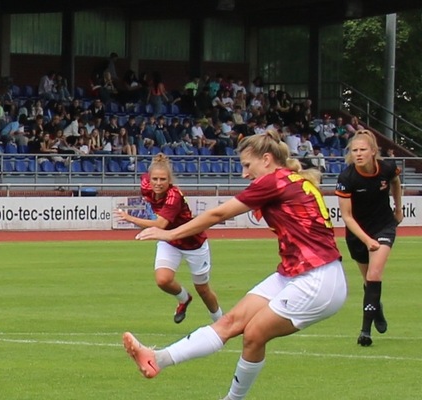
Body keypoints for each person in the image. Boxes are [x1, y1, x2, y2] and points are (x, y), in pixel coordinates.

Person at [122, 130, 346, 400]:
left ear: (266, 159)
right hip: (295, 272)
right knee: (230, 322)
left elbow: (218, 213)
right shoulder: (289, 179)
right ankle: (157, 359)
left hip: (317, 278)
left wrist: (170, 234)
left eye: (247, 165)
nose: (244, 173)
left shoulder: (274, 180)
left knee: (254, 333)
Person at [115, 154, 223, 324]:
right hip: (169, 240)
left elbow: (160, 224)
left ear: (170, 180)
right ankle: (184, 298)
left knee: (203, 289)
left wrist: (129, 218)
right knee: (163, 280)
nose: (158, 183)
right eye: (155, 179)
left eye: (163, 179)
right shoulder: (145, 183)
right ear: (149, 178)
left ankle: (220, 321)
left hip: (193, 243)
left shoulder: (174, 196)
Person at [335, 130, 402, 347]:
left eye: (363, 149)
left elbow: (395, 182)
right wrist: (365, 240)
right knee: (368, 281)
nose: (358, 154)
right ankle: (377, 308)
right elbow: (347, 217)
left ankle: (365, 331)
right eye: (354, 150)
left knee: (374, 274)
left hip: (384, 226)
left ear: (373, 151)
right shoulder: (347, 178)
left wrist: (398, 208)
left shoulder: (387, 168)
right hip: (358, 233)